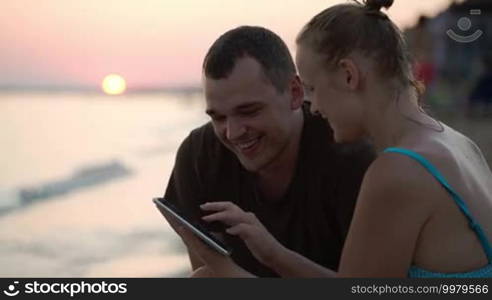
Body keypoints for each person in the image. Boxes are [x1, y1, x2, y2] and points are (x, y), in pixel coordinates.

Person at [179, 0, 492, 278]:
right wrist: (274, 254)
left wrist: (227, 272)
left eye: (312, 89)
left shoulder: (397, 172)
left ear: (348, 75)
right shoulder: (458, 144)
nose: (312, 107)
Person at [159, 25, 375, 277]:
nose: (233, 132)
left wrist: (274, 257)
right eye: (218, 117)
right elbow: (210, 275)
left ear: (294, 93)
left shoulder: (351, 156)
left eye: (249, 111)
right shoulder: (199, 156)